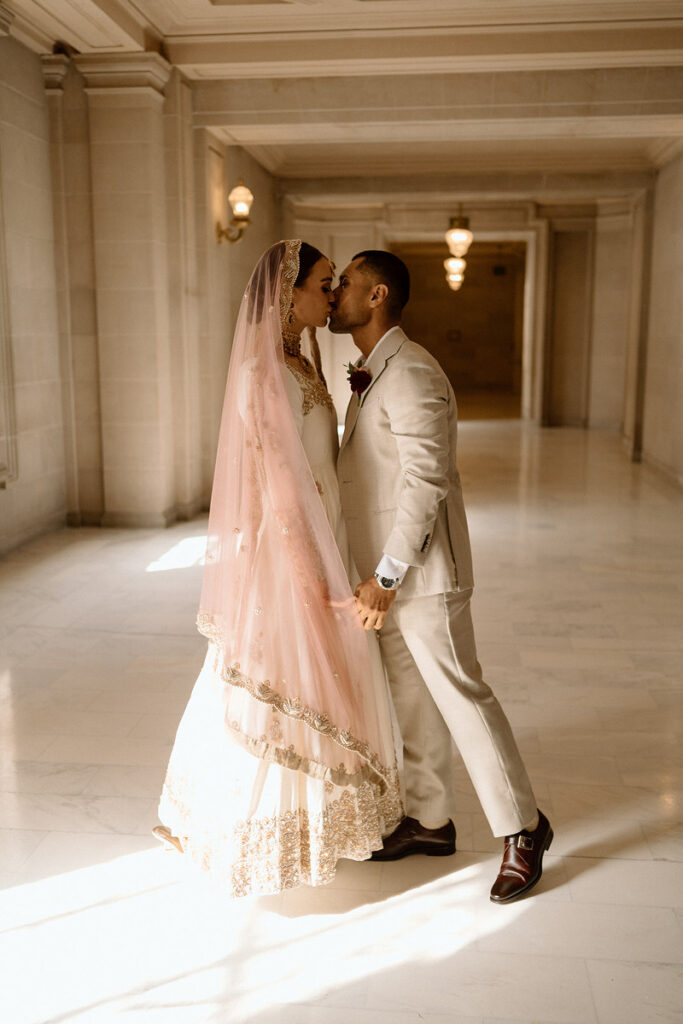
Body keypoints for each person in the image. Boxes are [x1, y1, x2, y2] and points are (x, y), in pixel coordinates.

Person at [153, 241, 402, 897]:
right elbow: (281, 488)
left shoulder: (303, 359)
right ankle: (256, 832)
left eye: (333, 283)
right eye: (323, 282)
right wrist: (309, 572)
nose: (331, 293)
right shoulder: (260, 374)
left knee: (319, 681)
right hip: (289, 547)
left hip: (326, 534)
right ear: (285, 292)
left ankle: (321, 820)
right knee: (279, 676)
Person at [330, 250, 553, 903]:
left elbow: (424, 484)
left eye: (345, 283)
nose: (335, 292)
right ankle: (429, 821)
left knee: (462, 697)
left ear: (376, 296)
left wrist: (389, 575)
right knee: (411, 698)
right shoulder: (377, 370)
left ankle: (523, 829)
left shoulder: (412, 372)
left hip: (420, 575)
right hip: (384, 577)